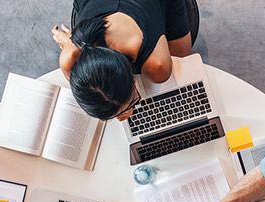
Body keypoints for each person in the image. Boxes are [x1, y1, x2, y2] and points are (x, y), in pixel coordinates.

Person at [52, 0, 193, 120]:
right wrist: (71, 43)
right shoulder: (69, 57)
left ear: (132, 79)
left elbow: (185, 62)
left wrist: (127, 100)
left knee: (182, 64)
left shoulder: (158, 65)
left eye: (133, 103)